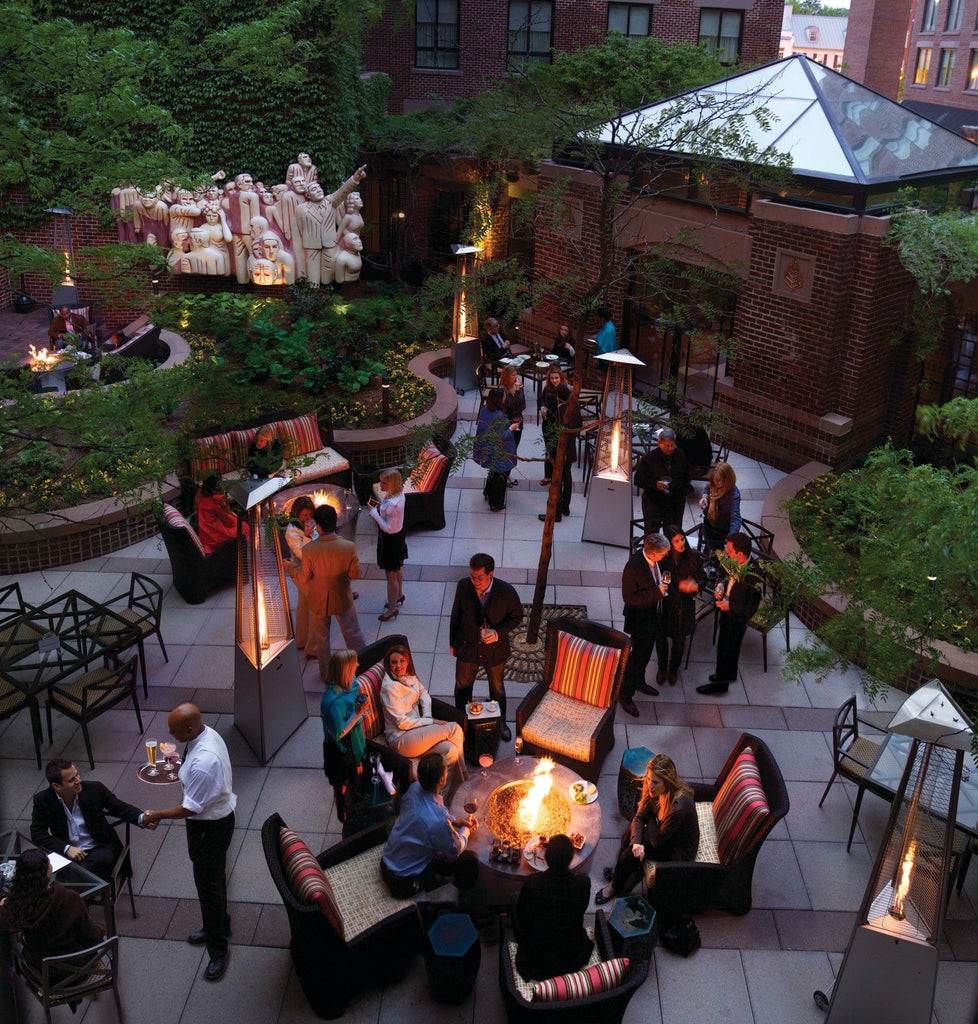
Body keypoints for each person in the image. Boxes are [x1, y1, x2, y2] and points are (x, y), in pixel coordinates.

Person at [142, 704, 236, 982]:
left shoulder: (204, 763)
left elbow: (191, 808)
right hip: (217, 820)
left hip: (208, 828)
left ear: (191, 729)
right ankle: (221, 923)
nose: (169, 734)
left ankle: (218, 949)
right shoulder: (206, 735)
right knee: (215, 878)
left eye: (174, 730)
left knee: (208, 887)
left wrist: (156, 814)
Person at [595, 753, 699, 905]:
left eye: (655, 782)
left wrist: (648, 820)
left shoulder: (678, 807)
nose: (650, 785)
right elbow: (638, 817)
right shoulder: (653, 788)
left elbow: (657, 841)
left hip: (678, 850)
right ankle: (623, 875)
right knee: (631, 836)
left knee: (633, 852)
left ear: (667, 782)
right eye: (649, 779)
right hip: (664, 834)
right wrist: (636, 843)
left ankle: (615, 885)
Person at [30, 759, 153, 881]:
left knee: (78, 873)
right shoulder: (43, 800)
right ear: (56, 786)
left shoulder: (94, 789)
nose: (78, 780)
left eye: (77, 775)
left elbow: (119, 807)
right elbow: (37, 833)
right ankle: (82, 894)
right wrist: (66, 848)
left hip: (99, 848)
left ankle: (77, 893)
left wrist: (142, 818)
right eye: (71, 780)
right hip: (68, 855)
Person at [380, 752, 479, 898]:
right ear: (441, 780)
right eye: (446, 772)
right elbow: (453, 852)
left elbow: (431, 813)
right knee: (469, 861)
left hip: (387, 860)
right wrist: (466, 830)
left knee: (437, 844)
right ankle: (461, 900)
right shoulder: (438, 822)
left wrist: (453, 819)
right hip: (403, 881)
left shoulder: (414, 789)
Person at [449, 552, 522, 743]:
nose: (474, 581)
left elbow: (517, 617)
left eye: (479, 577)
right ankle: (462, 723)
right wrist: (452, 643)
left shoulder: (506, 592)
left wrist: (497, 633)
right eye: (472, 576)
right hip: (468, 646)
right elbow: (456, 614)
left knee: (497, 689)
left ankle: (501, 724)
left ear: (491, 574)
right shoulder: (464, 586)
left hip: (494, 649)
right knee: (462, 688)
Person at [290, 503, 366, 681]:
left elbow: (304, 578)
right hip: (342, 597)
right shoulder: (348, 546)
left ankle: (326, 674)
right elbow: (355, 574)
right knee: (353, 633)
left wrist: (292, 567)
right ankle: (365, 665)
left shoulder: (309, 549)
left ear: (318, 526)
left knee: (322, 640)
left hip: (318, 599)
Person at [0, 848, 103, 970]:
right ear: (48, 871)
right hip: (77, 969)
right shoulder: (70, 898)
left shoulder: (19, 905)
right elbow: (91, 936)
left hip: (40, 970)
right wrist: (102, 929)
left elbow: (4, 924)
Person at [512, 833, 593, 981]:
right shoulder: (583, 883)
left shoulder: (532, 883)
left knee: (515, 900)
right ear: (570, 859)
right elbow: (582, 908)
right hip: (571, 956)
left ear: (547, 860)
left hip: (538, 961)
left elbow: (522, 914)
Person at [380, 644, 466, 778]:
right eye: (394, 662)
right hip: (401, 739)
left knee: (451, 750)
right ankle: (465, 774)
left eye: (402, 661)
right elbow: (401, 723)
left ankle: (445, 794)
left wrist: (427, 715)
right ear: (389, 664)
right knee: (454, 728)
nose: (398, 666)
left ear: (407, 661)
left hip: (416, 733)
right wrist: (430, 722)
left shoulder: (409, 676)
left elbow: (423, 693)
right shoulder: (389, 688)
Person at [697, 532, 762, 696]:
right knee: (728, 648)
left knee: (728, 648)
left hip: (737, 619)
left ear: (740, 554)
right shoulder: (732, 563)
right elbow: (722, 576)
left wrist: (729, 607)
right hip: (727, 608)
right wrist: (720, 588)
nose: (726, 553)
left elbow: (751, 607)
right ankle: (729, 674)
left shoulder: (754, 576)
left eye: (729, 551)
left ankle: (720, 683)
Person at [619, 533, 670, 716]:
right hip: (640, 621)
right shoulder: (633, 567)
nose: (665, 557)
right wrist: (656, 592)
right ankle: (625, 695)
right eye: (663, 555)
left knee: (646, 653)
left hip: (654, 617)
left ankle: (640, 682)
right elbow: (629, 598)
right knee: (636, 658)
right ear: (653, 554)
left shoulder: (656, 562)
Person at [657, 525, 702, 686]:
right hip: (666, 604)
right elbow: (658, 579)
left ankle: (673, 668)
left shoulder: (693, 557)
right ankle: (662, 667)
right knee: (661, 638)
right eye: (676, 541)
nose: (681, 543)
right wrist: (676, 587)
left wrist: (695, 585)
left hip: (684, 605)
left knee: (679, 640)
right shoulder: (663, 559)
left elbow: (701, 578)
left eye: (682, 539)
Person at [537, 379, 580, 524]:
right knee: (567, 478)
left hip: (561, 451)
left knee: (558, 481)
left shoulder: (560, 412)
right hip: (571, 449)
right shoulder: (575, 407)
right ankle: (566, 507)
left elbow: (553, 431)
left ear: (558, 397)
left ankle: (556, 513)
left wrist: (546, 417)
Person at [633, 427, 690, 536]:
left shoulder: (681, 455)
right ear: (659, 443)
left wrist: (682, 490)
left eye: (672, 445)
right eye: (666, 446)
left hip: (675, 502)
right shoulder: (649, 458)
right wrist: (655, 484)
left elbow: (687, 476)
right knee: (652, 534)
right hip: (654, 502)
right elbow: (638, 479)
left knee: (673, 534)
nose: (669, 448)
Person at [369, 469, 407, 621]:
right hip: (399, 536)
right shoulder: (399, 494)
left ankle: (391, 608)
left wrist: (374, 513)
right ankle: (398, 595)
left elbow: (388, 528)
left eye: (384, 482)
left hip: (390, 540)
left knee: (390, 575)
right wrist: (380, 509)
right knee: (397, 568)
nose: (380, 485)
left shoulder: (391, 505)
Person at [474, 387, 518, 511]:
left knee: (493, 472)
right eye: (504, 397)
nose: (505, 398)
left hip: (487, 447)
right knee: (500, 476)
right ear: (499, 400)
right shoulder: (499, 415)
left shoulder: (485, 409)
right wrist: (511, 428)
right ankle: (496, 503)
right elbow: (501, 437)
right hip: (499, 451)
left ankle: (488, 492)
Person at [284, 495, 318, 654]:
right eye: (305, 515)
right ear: (297, 514)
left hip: (311, 569)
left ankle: (302, 640)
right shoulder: (292, 531)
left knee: (304, 604)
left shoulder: (311, 524)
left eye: (310, 514)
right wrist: (307, 536)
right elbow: (302, 554)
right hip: (301, 571)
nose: (308, 518)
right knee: (315, 606)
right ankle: (313, 647)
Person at [700, 461, 742, 554]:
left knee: (716, 550)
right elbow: (708, 487)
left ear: (727, 480)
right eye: (714, 480)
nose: (715, 483)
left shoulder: (733, 496)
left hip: (720, 528)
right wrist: (705, 497)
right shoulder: (714, 484)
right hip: (709, 521)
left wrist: (731, 539)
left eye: (718, 480)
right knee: (708, 543)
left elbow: (736, 518)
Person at [539, 367, 570, 485]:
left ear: (561, 378)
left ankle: (558, 477)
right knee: (549, 449)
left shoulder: (564, 390)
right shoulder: (547, 389)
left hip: (559, 425)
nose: (554, 380)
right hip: (547, 423)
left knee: (559, 450)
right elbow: (541, 401)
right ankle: (547, 475)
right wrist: (542, 409)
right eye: (552, 378)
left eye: (556, 378)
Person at [195, 475, 241, 555]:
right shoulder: (218, 499)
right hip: (215, 538)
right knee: (243, 528)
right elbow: (230, 522)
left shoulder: (202, 496)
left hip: (206, 536)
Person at [499, 365, 526, 485]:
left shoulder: (518, 387)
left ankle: (507, 475)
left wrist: (519, 391)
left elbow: (523, 405)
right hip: (507, 425)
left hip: (518, 423)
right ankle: (503, 477)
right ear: (506, 376)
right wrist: (517, 393)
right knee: (506, 451)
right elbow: (512, 407)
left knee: (513, 451)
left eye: (516, 375)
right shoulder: (502, 391)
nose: (516, 377)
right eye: (513, 375)